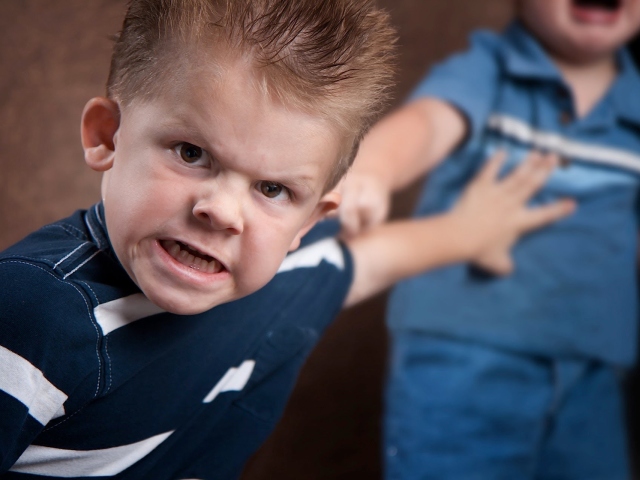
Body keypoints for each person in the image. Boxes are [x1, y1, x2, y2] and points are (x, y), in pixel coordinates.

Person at [0, 0, 573, 478]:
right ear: (108, 136)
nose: (223, 212)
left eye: (272, 189)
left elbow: (364, 264)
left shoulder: (269, 288)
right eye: (192, 153)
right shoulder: (36, 313)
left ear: (308, 222)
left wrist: (470, 231)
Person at [338, 0, 640, 478]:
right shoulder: (489, 69)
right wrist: (373, 168)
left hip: (593, 367)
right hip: (463, 356)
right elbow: (430, 123)